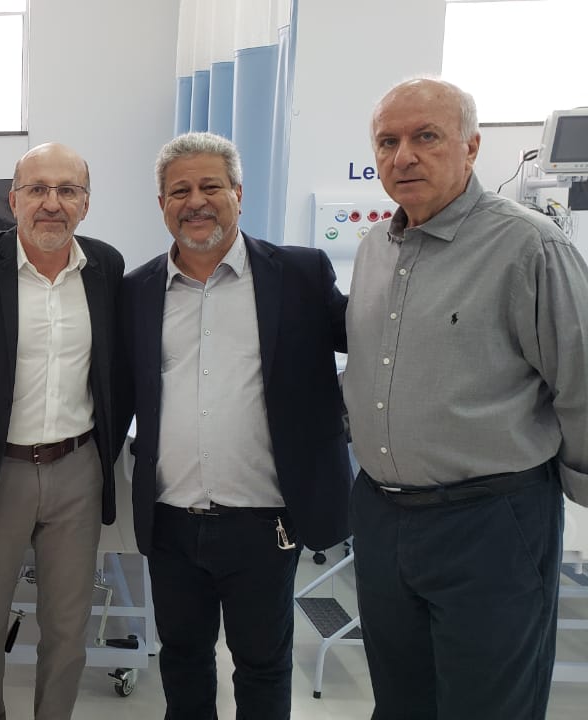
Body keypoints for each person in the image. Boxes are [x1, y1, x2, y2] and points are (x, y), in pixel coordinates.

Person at [346, 77, 588, 719]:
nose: (404, 156)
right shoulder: (374, 251)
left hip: (490, 522)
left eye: (425, 136)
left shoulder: (529, 247)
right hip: (383, 517)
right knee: (401, 701)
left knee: (488, 705)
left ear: (471, 146)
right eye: (388, 142)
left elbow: (582, 379)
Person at [116, 132, 349, 719]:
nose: (195, 201)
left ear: (239, 194)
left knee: (263, 667)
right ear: (162, 204)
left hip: (265, 520)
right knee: (182, 661)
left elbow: (370, 342)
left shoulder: (299, 275)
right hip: (171, 519)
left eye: (210, 186)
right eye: (180, 191)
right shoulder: (137, 290)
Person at [0, 142, 124, 719]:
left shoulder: (106, 267)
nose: (52, 203)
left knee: (67, 630)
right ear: (12, 200)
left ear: (86, 203)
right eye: (37, 189)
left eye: (68, 190)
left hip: (77, 470)